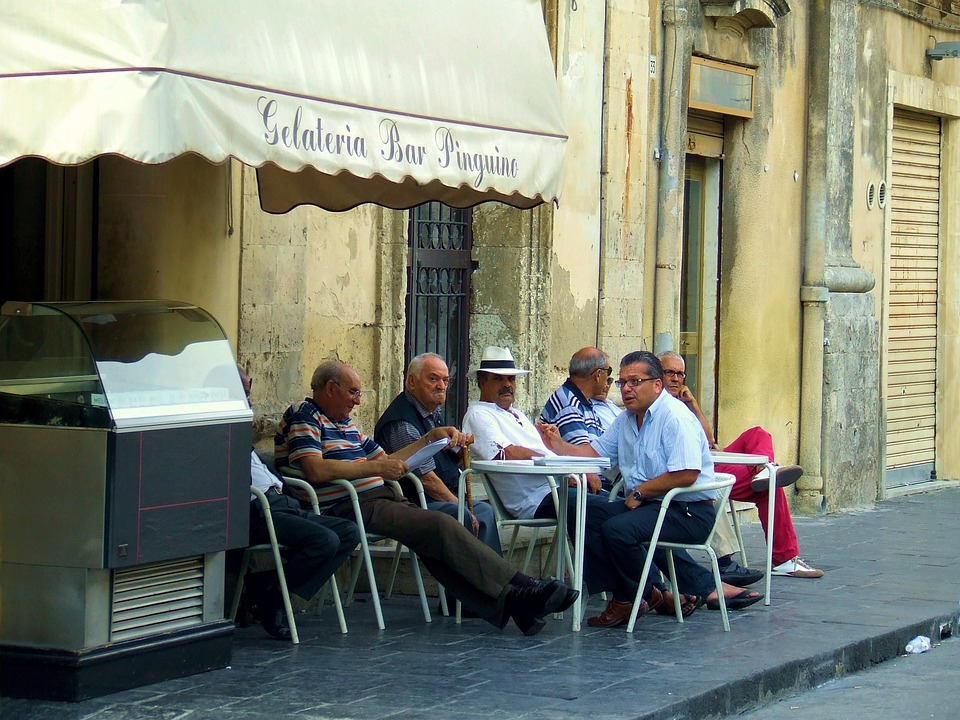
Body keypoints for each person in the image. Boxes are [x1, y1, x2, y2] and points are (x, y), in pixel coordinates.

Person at [274, 359, 578, 636]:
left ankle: (515, 601)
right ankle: (522, 588)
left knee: (436, 540)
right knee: (441, 524)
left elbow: (392, 459)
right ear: (331, 388)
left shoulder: (345, 424)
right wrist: (378, 467)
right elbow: (314, 469)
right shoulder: (306, 415)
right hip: (349, 504)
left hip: (378, 498)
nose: (357, 401)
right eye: (353, 392)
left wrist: (429, 439)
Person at [540, 351, 763, 628]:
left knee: (618, 530)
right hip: (654, 505)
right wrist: (558, 445)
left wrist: (641, 491)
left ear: (657, 385)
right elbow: (595, 452)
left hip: (688, 511)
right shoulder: (627, 419)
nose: (627, 389)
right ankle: (648, 593)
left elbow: (687, 472)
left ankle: (628, 597)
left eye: (635, 381)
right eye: (622, 383)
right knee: (585, 512)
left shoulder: (674, 417)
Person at [657, 351, 823, 579]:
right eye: (669, 373)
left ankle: (765, 470)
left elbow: (709, 441)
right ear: (657, 374)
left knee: (757, 434)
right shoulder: (658, 406)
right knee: (770, 487)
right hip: (698, 468)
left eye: (680, 374)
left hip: (710, 457)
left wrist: (693, 404)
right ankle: (783, 558)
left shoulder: (681, 404)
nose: (675, 379)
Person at [238, 368, 361, 640]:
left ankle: (267, 589)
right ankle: (276, 599)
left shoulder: (239, 430)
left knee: (349, 532)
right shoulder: (222, 428)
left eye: (249, 394)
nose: (249, 403)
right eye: (243, 394)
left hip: (281, 500)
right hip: (255, 509)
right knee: (325, 540)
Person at [374, 353, 502, 610]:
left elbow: (445, 457)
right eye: (433, 379)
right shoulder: (402, 421)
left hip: (435, 497)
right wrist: (459, 503)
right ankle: (469, 599)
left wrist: (459, 445)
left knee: (485, 510)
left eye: (445, 380)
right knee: (464, 514)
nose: (441, 386)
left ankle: (494, 590)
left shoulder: (431, 413)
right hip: (414, 503)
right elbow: (426, 479)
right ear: (412, 382)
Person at [461, 346, 584, 521]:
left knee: (607, 508)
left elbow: (536, 450)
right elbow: (507, 453)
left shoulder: (516, 413)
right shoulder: (478, 414)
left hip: (556, 488)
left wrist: (550, 444)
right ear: (482, 382)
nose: (507, 385)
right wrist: (563, 470)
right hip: (534, 499)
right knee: (600, 510)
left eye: (511, 379)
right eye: (498, 379)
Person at [539, 347, 611, 493]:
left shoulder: (580, 400)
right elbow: (583, 459)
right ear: (598, 374)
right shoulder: (569, 404)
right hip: (582, 488)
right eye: (608, 372)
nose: (608, 379)